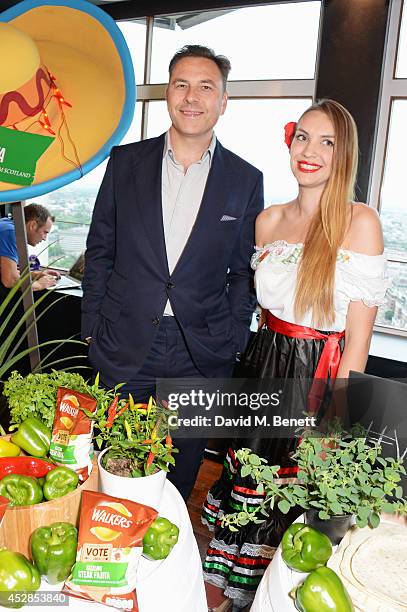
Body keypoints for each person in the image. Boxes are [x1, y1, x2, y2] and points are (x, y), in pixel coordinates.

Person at [202, 99, 389, 607]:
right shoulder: (268, 220)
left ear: (343, 154)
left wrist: (335, 418)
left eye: (327, 141)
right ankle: (232, 595)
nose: (310, 151)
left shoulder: (360, 222)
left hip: (319, 377)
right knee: (247, 484)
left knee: (297, 502)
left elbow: (359, 341)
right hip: (264, 368)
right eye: (302, 136)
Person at [81, 45, 264, 500]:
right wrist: (91, 330)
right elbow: (100, 250)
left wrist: (234, 336)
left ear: (223, 101)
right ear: (168, 92)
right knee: (115, 467)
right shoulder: (126, 162)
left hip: (199, 351)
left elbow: (244, 271)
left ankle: (166, 562)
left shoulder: (245, 179)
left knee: (180, 474)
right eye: (181, 84)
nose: (192, 96)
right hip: (123, 341)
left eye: (206, 87)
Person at [0, 203, 59, 294]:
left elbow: (7, 271)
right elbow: (10, 280)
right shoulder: (11, 233)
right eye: (45, 232)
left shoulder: (6, 223)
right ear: (32, 225)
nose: (44, 238)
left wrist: (35, 274)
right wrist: (40, 284)